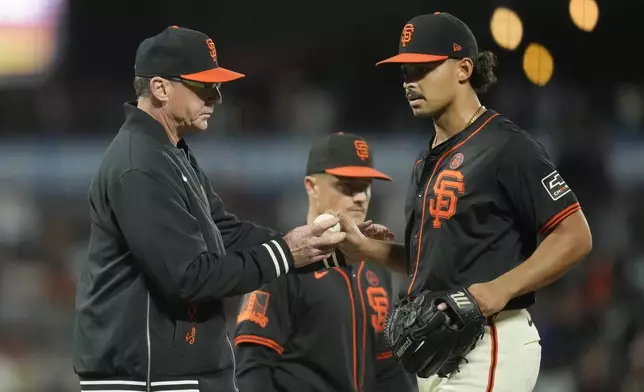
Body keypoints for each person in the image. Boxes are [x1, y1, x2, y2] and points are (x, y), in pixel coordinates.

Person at [72, 26, 346, 392]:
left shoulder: (169, 151)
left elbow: (225, 232)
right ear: (160, 88)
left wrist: (320, 248)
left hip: (179, 372)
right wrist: (285, 253)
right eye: (203, 86)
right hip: (148, 378)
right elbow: (189, 277)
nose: (216, 97)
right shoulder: (139, 164)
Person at [336, 12, 593, 392]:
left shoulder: (506, 146)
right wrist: (367, 248)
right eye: (405, 71)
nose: (410, 82)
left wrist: (500, 289)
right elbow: (437, 261)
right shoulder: (426, 160)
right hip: (442, 352)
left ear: (463, 69)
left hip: (490, 340)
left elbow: (575, 236)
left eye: (423, 68)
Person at [233, 132, 418, 392]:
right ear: (311, 186)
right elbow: (252, 369)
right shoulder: (283, 264)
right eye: (348, 185)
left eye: (366, 186)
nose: (361, 197)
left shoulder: (377, 269)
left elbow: (388, 370)